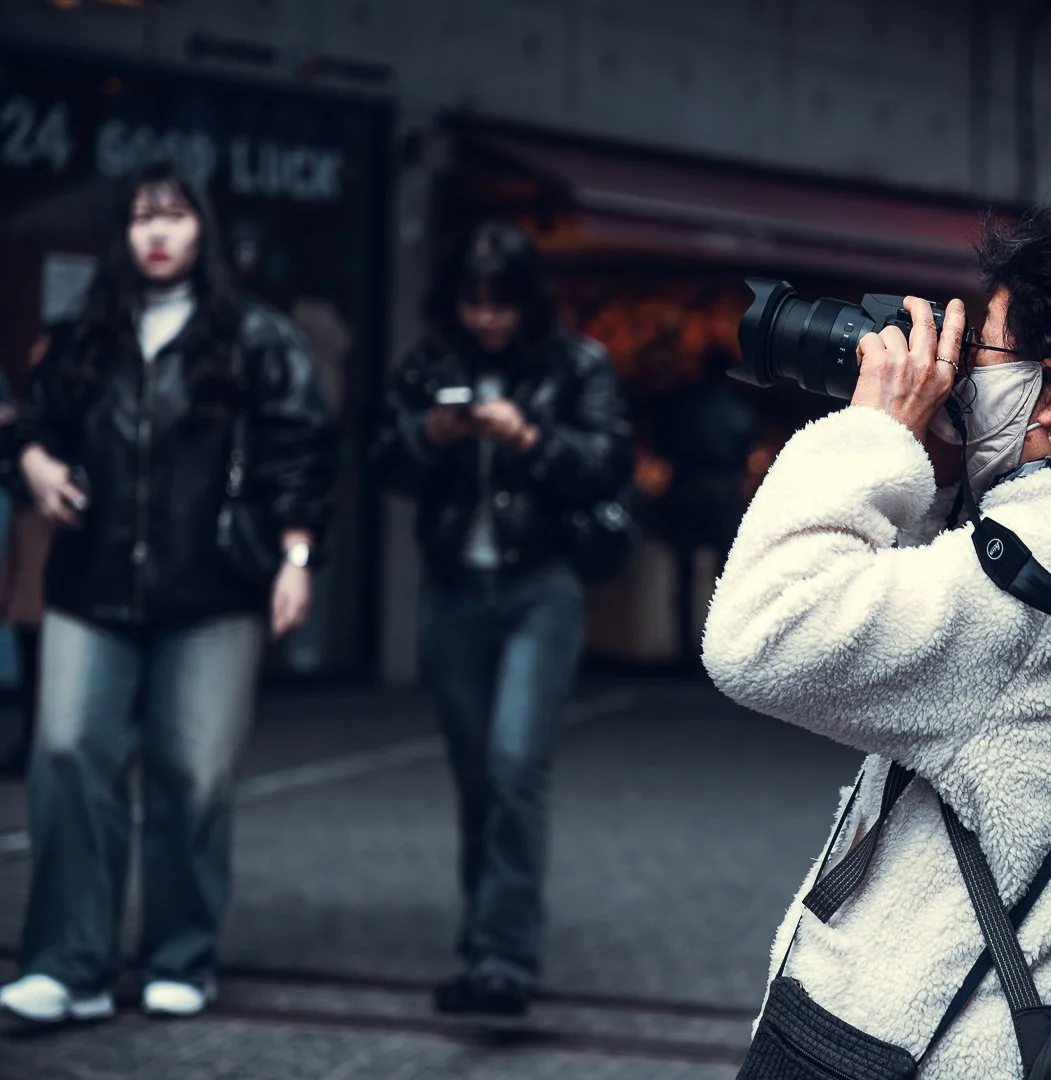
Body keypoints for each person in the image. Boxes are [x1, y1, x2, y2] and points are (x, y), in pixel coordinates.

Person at [704, 193, 1051, 1079]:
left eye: (982, 351)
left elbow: (759, 635)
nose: (954, 372)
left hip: (901, 1045)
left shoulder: (1045, 574)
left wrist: (874, 432)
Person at [0, 164, 337, 1024]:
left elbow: (301, 450)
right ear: (123, 235)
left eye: (175, 217)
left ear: (202, 232)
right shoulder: (86, 334)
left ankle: (181, 956)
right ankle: (68, 964)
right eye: (144, 219)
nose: (157, 234)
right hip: (91, 581)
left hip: (215, 588)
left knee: (193, 772)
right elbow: (30, 420)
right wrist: (32, 461)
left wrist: (295, 556)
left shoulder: (255, 336)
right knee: (70, 754)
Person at [372, 221, 632, 1017]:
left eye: (501, 303)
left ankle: (502, 959)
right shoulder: (429, 365)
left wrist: (530, 439)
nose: (487, 319)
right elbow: (383, 460)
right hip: (454, 588)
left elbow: (607, 464)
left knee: (517, 763)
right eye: (473, 303)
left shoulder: (576, 364)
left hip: (539, 586)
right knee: (478, 776)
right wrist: (432, 437)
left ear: (527, 302)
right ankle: (483, 941)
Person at [648, 346, 758, 667]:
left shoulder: (681, 405)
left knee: (684, 574)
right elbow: (747, 450)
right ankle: (724, 651)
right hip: (723, 495)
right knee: (726, 578)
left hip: (686, 490)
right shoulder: (739, 409)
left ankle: (686, 653)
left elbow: (661, 446)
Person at [0, 327, 65, 779]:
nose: (33, 357)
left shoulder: (67, 409)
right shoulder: (30, 411)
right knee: (29, 638)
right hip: (27, 537)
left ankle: (40, 742)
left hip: (52, 539)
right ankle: (32, 739)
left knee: (45, 645)